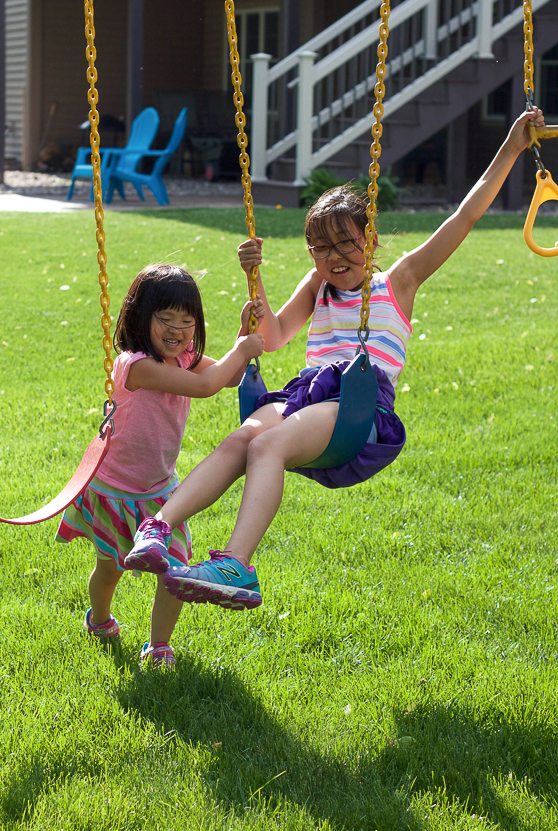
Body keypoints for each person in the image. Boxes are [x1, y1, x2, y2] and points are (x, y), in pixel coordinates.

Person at [130, 108, 545, 611]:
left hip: (358, 401)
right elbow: (275, 335)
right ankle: (157, 528)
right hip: (308, 393)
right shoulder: (318, 286)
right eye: (321, 248)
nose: (335, 257)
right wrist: (254, 280)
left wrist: (512, 145)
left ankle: (238, 565)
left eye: (347, 242)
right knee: (241, 439)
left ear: (368, 239)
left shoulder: (399, 282)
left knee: (268, 447)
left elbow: (465, 214)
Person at [56, 263, 264, 667]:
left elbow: (228, 378)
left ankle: (159, 644)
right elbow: (207, 386)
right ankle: (99, 620)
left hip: (160, 494)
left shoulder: (185, 357)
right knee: (109, 567)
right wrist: (241, 350)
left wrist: (243, 334)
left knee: (177, 571)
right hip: (115, 490)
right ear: (139, 317)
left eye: (187, 321)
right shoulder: (135, 365)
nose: (177, 330)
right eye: (165, 319)